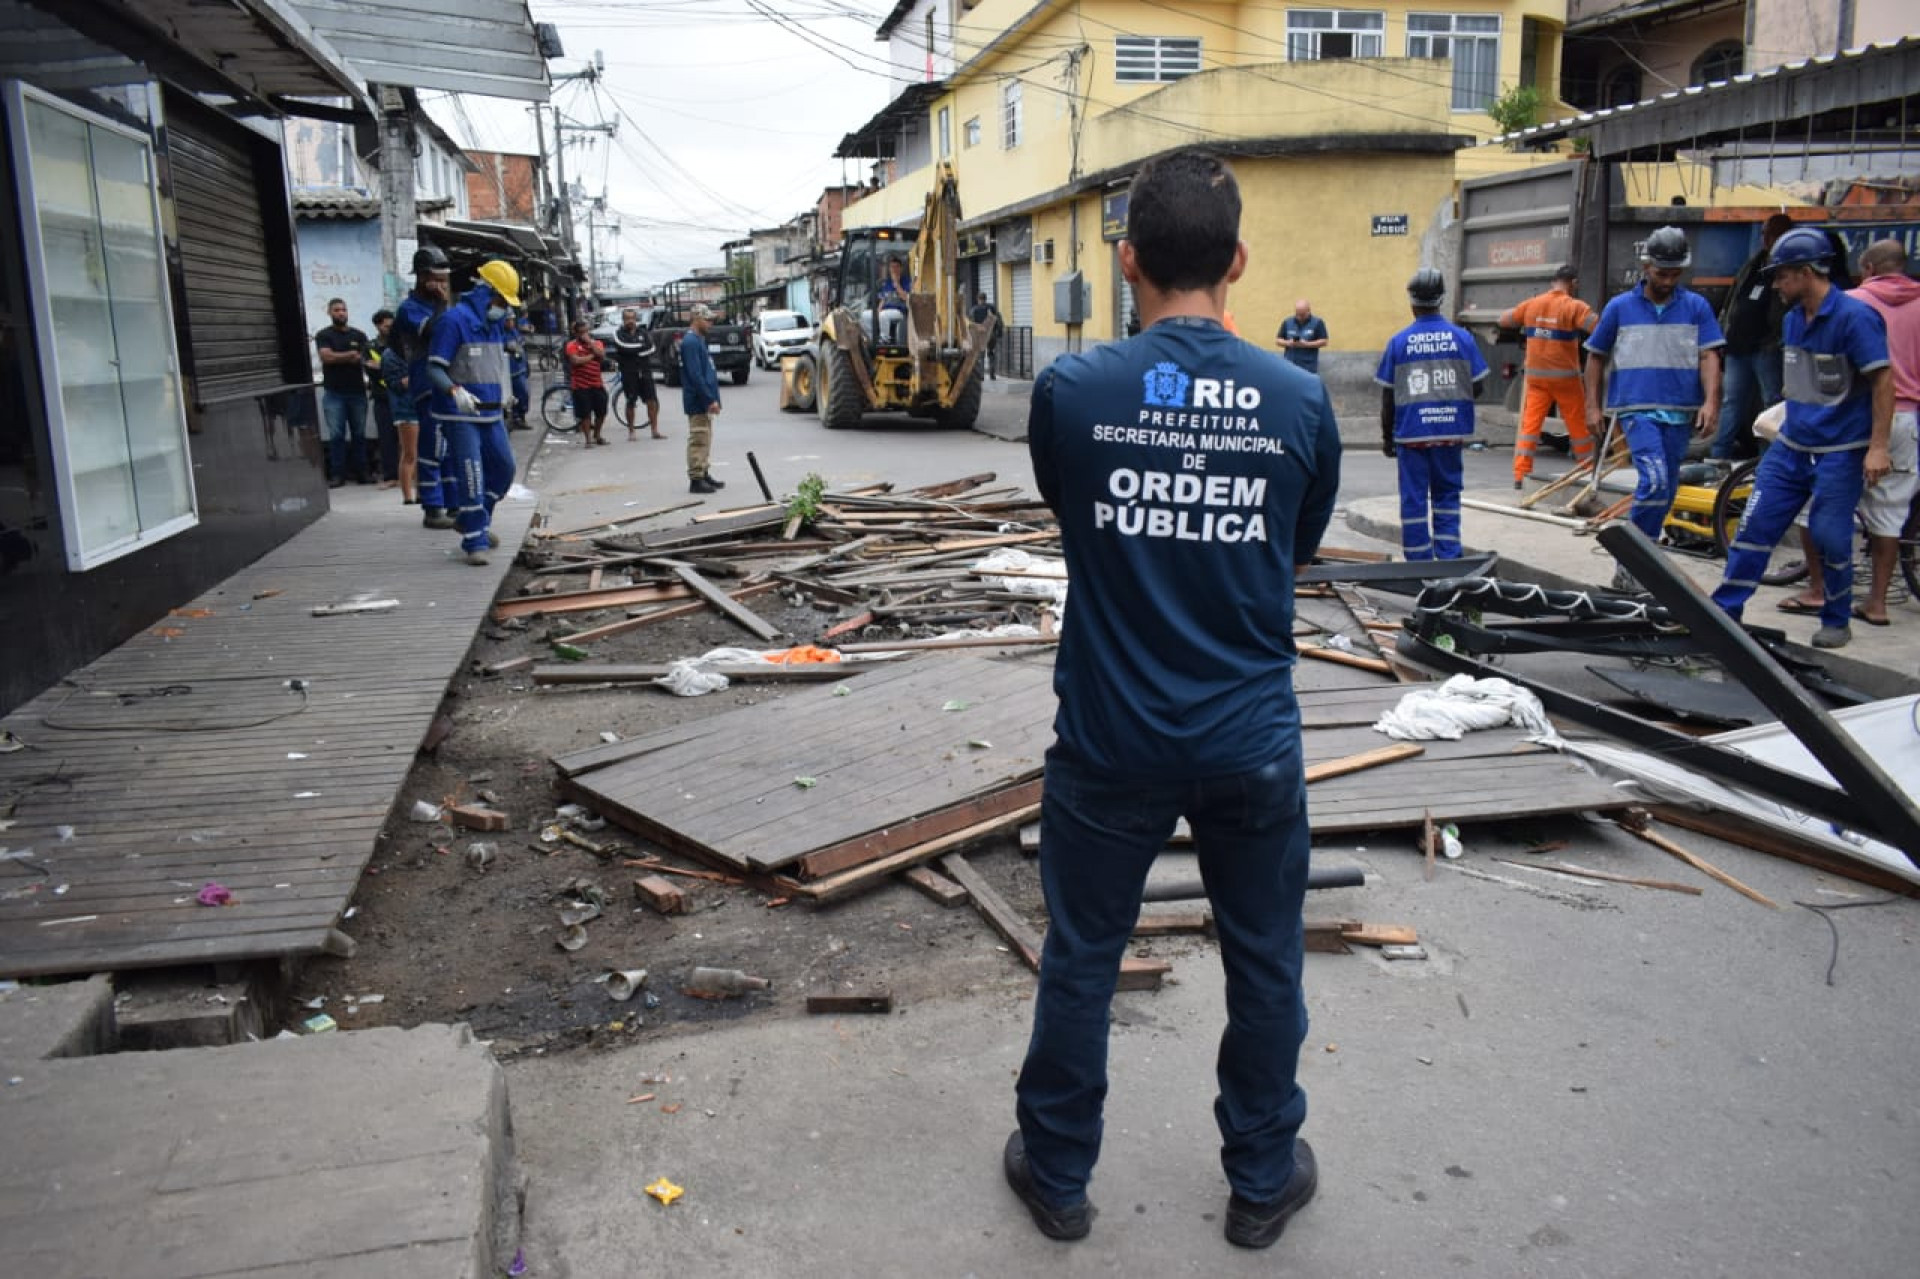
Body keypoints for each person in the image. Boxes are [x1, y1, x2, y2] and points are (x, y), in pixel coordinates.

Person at [1009, 148, 1340, 1250]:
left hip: (1111, 740)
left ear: (1127, 259)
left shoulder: (1071, 393)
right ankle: (1260, 1177)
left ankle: (1057, 1175)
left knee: (1083, 954)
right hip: (1249, 740)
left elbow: (1076, 513)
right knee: (1265, 957)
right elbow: (1291, 548)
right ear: (1239, 260)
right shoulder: (1299, 398)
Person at [1748, 233, 1899, 645]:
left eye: (1782, 276)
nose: (1777, 285)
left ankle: (1836, 621)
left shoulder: (1854, 317)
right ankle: (1725, 611)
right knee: (1754, 527)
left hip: (1840, 449)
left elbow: (1884, 381)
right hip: (1793, 444)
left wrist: (1878, 446)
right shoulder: (1794, 319)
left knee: (1831, 535)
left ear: (1807, 272)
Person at [1583, 226, 1724, 592]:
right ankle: (1633, 563)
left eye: (1675, 273)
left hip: (1680, 410)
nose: (1668, 280)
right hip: (1637, 408)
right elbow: (1595, 357)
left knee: (1667, 488)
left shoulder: (1695, 307)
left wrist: (1711, 402)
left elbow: (1709, 355)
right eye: (1662, 273)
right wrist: (1592, 407)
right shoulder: (1620, 308)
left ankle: (1642, 557)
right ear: (1646, 266)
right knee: (1655, 481)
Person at [1376, 269, 1488, 560]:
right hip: (1450, 434)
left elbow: (1388, 396)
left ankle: (1419, 563)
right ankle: (1449, 557)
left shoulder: (1398, 342)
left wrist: (1388, 437)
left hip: (1411, 435)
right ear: (1441, 300)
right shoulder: (1463, 338)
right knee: (1447, 496)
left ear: (1412, 303)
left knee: (1413, 500)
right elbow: (1477, 387)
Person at [428, 259, 521, 566]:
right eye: (500, 300)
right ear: (485, 291)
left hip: (492, 411)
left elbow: (495, 366)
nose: (502, 308)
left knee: (504, 469)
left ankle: (475, 521)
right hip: (461, 415)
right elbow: (434, 368)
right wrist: (454, 391)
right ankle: (474, 541)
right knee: (472, 476)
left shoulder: (494, 325)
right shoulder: (453, 321)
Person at [1499, 264, 1597, 488]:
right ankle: (1588, 469)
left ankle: (1520, 475)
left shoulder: (1532, 304)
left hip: (1536, 381)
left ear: (1554, 281)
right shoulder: (1574, 307)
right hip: (1566, 380)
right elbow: (1598, 327)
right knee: (1578, 427)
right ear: (1573, 283)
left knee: (1530, 428)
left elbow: (1505, 320)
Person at [1710, 213, 1795, 460]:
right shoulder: (1754, 263)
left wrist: (1774, 341)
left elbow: (1784, 309)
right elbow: (1734, 299)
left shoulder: (1785, 268)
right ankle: (1718, 456)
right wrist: (1724, 334)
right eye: (1764, 233)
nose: (1766, 238)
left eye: (1772, 233)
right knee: (1731, 403)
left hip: (1765, 348)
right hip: (1738, 347)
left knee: (1771, 404)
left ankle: (1766, 459)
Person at [393, 246, 454, 528]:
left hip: (449, 381)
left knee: (453, 445)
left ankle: (454, 503)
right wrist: (443, 306)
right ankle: (432, 506)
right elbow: (432, 331)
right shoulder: (410, 309)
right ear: (422, 277)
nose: (441, 283)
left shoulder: (441, 304)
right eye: (435, 277)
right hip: (426, 382)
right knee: (432, 445)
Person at [314, 298, 371, 487]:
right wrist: (349, 355)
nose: (341, 313)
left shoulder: (359, 335)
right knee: (337, 435)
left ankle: (362, 472)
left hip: (357, 391)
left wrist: (344, 357)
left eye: (344, 310)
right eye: (337, 310)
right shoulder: (324, 335)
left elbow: (365, 358)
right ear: (329, 312)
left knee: (359, 434)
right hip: (334, 393)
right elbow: (326, 357)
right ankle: (338, 475)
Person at [681, 304, 726, 494]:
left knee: (706, 438)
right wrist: (709, 399)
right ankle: (696, 479)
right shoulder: (690, 342)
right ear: (696, 319)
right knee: (698, 438)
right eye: (707, 320)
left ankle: (704, 472)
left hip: (704, 398)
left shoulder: (699, 340)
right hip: (697, 399)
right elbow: (695, 375)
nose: (710, 323)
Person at [611, 308, 664, 439]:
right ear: (623, 320)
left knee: (652, 401)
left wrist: (635, 350)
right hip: (629, 372)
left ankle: (655, 431)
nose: (630, 321)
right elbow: (623, 347)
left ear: (636, 319)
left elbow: (651, 348)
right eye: (627, 318)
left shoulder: (643, 332)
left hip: (645, 371)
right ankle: (631, 432)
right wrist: (641, 347)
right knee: (630, 401)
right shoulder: (619, 334)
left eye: (632, 318)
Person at [564, 318, 610, 446]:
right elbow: (575, 361)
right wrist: (591, 357)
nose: (584, 334)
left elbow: (601, 355)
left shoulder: (596, 343)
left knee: (601, 411)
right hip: (580, 385)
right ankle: (588, 439)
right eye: (581, 332)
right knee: (585, 414)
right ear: (576, 333)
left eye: (586, 331)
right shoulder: (571, 345)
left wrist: (590, 343)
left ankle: (597, 435)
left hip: (596, 383)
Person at [1276, 299, 1328, 374]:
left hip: (1308, 365)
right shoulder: (1287, 322)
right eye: (1297, 314)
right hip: (1290, 363)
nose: (1299, 317)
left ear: (1309, 311)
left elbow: (1324, 341)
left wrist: (1306, 344)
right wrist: (1288, 343)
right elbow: (1278, 340)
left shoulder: (1318, 323)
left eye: (1302, 315)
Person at [968, 291, 1003, 379]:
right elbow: (999, 321)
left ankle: (981, 375)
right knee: (991, 354)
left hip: (981, 337)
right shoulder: (992, 308)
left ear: (978, 299)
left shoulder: (974, 309)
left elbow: (971, 324)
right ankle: (992, 375)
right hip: (991, 335)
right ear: (985, 298)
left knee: (981, 356)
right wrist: (999, 333)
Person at [877, 255, 911, 344]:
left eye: (897, 267)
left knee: (883, 315)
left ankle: (884, 340)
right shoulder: (887, 283)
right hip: (886, 311)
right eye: (892, 267)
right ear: (889, 269)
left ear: (901, 268)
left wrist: (896, 283)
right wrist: (877, 311)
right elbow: (883, 300)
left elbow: (905, 298)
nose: (894, 269)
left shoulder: (907, 281)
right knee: (866, 316)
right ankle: (868, 340)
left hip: (899, 312)